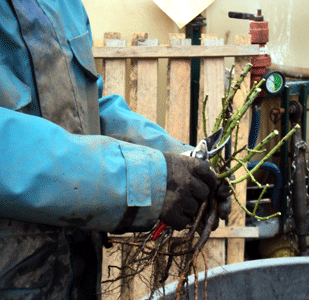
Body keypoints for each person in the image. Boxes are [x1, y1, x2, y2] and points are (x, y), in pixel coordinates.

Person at [0, 0, 231, 299]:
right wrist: (148, 178)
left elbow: (86, 111)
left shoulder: (64, 5)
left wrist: (181, 160)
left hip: (75, 278)